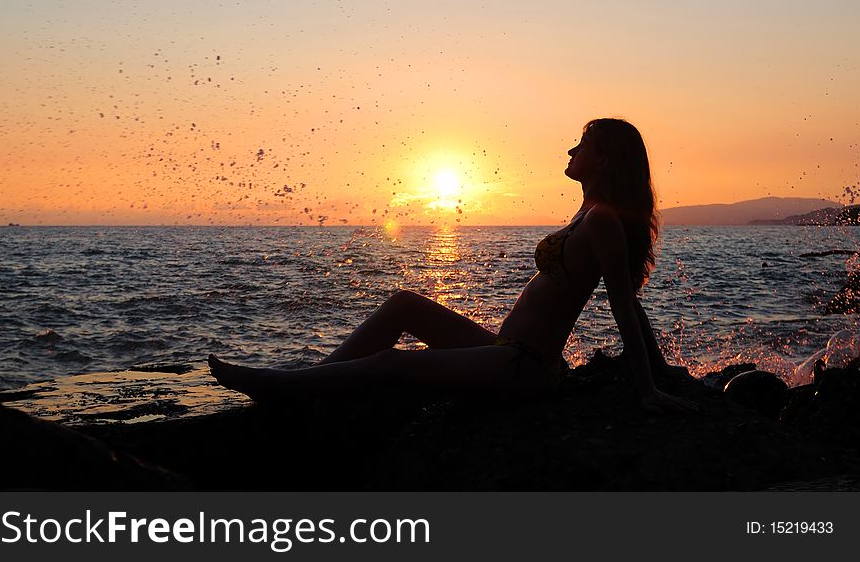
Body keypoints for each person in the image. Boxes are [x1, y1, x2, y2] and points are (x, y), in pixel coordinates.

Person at [209, 118, 696, 412]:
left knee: (391, 364)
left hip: (527, 367)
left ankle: (284, 388)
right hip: (506, 350)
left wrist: (648, 387)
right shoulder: (587, 213)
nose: (571, 150)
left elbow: (624, 307)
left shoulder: (604, 221)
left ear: (604, 161)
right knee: (404, 304)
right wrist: (660, 369)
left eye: (582, 144)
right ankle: (309, 385)